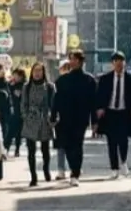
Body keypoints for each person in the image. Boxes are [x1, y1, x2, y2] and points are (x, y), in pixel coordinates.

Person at [51, 50, 97, 186]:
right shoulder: (62, 81)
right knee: (67, 145)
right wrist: (53, 116)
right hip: (64, 119)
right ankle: (73, 169)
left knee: (78, 145)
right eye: (71, 59)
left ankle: (75, 173)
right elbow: (56, 101)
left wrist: (94, 121)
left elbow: (93, 102)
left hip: (81, 119)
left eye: (76, 60)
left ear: (81, 62)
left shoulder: (89, 81)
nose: (73, 62)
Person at [95, 51, 131, 179]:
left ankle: (123, 162)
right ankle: (114, 168)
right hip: (110, 113)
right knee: (111, 142)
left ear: (124, 63)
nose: (119, 64)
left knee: (123, 140)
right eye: (116, 62)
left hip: (124, 113)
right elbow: (99, 97)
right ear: (112, 64)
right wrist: (99, 109)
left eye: (121, 61)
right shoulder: (105, 79)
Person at [20, 62, 56, 186]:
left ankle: (46, 170)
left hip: (45, 120)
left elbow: (54, 104)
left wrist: (52, 117)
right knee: (31, 150)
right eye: (35, 70)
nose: (37, 73)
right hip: (31, 120)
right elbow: (23, 104)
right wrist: (25, 116)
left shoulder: (50, 87)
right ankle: (33, 176)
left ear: (43, 72)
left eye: (40, 70)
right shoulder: (27, 86)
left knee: (45, 150)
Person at [53, 61, 71, 180]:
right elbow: (54, 101)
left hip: (72, 117)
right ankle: (61, 170)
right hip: (61, 118)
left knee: (70, 145)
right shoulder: (58, 82)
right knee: (61, 146)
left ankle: (72, 168)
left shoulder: (74, 82)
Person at [0, 63, 13, 158]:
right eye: (0, 70)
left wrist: (10, 106)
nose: (2, 72)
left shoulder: (4, 82)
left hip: (5, 109)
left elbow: (9, 95)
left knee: (5, 129)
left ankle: (3, 149)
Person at [9, 68, 27, 157]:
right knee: (11, 132)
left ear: (20, 76)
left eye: (15, 75)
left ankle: (17, 149)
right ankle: (7, 149)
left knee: (19, 132)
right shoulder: (12, 85)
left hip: (22, 112)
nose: (14, 77)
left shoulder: (25, 86)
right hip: (14, 112)